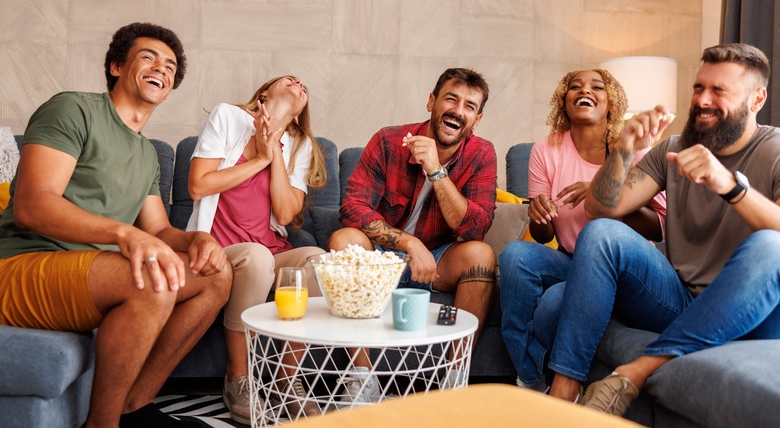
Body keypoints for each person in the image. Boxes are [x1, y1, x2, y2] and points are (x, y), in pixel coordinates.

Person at [0, 23, 232, 427]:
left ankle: (133, 407)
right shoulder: (74, 109)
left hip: (93, 275)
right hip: (22, 265)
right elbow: (33, 205)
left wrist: (197, 238)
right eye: (148, 56)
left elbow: (160, 230)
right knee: (152, 281)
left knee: (216, 276)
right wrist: (124, 234)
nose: (161, 66)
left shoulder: (145, 154)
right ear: (115, 66)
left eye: (171, 65)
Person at [545, 43, 780, 415]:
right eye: (699, 87)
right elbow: (600, 207)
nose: (703, 100)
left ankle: (638, 370)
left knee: (772, 246)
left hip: (751, 310)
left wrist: (730, 185)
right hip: (681, 298)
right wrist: (623, 148)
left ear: (757, 99)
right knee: (603, 233)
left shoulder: (776, 149)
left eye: (719, 91)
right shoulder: (673, 147)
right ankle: (563, 397)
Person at [328, 67, 498, 400]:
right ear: (431, 102)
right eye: (451, 99)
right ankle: (362, 379)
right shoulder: (389, 140)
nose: (458, 111)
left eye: (469, 106)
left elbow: (475, 228)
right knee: (343, 240)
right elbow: (352, 208)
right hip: (380, 260)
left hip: (436, 262)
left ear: (477, 120)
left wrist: (436, 170)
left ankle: (453, 379)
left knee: (481, 256)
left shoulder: (481, 154)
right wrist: (408, 242)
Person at [498, 69, 667, 395]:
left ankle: (563, 391)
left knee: (549, 308)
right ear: (564, 101)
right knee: (515, 255)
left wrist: (603, 195)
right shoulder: (546, 151)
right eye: (573, 87)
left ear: (610, 102)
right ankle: (531, 380)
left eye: (595, 86)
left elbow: (659, 225)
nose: (583, 91)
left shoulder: (634, 149)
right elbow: (544, 234)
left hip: (623, 269)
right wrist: (539, 213)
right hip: (571, 261)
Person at [186, 75, 328, 422]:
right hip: (219, 250)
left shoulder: (299, 144)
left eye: (303, 87)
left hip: (270, 247)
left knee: (317, 261)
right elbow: (198, 186)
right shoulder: (228, 117)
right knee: (256, 256)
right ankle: (238, 379)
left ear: (298, 115)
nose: (298, 83)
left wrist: (275, 145)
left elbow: (284, 212)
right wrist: (260, 160)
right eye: (288, 79)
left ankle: (286, 382)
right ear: (264, 93)